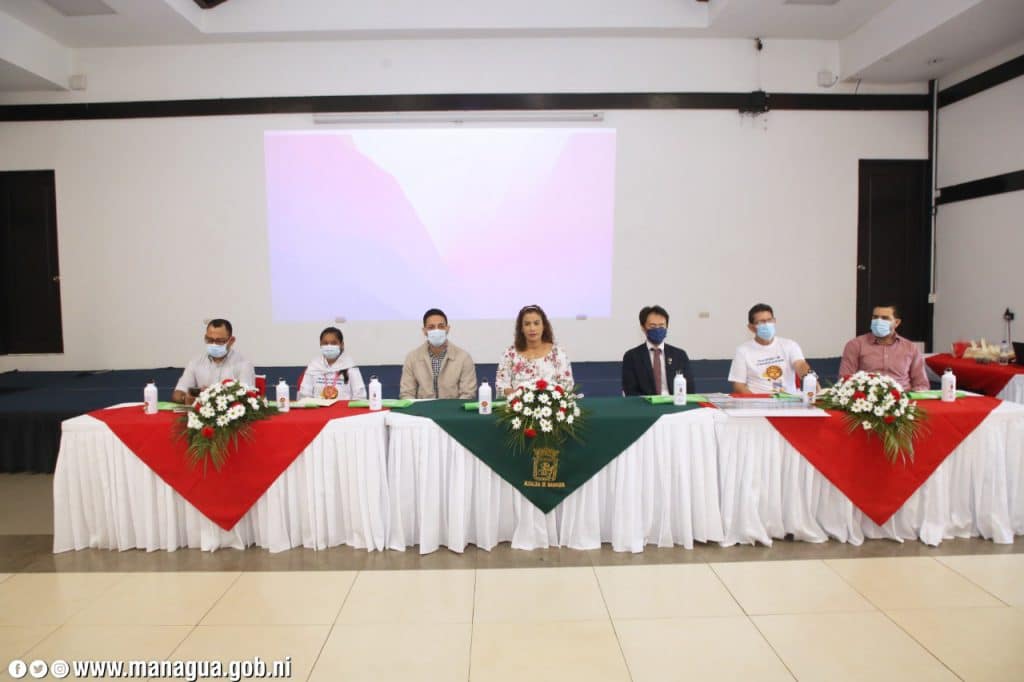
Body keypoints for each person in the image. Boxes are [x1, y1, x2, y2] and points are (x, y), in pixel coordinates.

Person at [839, 304, 929, 391]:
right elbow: (845, 379)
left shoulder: (910, 348)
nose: (878, 321)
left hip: (903, 396)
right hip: (867, 396)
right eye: (875, 317)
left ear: (896, 322)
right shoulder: (855, 345)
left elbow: (921, 384)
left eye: (885, 318)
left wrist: (912, 396)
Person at [728, 303, 811, 394]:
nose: (767, 324)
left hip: (789, 399)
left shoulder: (790, 345)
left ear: (774, 321)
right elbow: (738, 386)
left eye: (769, 320)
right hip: (757, 400)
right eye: (761, 322)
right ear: (751, 328)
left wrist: (810, 378)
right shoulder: (743, 351)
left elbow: (800, 365)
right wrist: (756, 400)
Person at [399, 308, 478, 399]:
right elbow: (407, 393)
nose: (436, 330)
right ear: (424, 331)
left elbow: (468, 394)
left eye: (441, 326)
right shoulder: (412, 358)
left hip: (453, 407)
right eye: (431, 327)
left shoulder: (463, 358)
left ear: (447, 329)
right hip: (422, 407)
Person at [496, 305, 573, 396]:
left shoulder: (557, 353)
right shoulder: (509, 354)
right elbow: (501, 386)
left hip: (551, 403)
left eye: (536, 323)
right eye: (527, 324)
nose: (532, 328)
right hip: (518, 403)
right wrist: (518, 397)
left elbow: (567, 385)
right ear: (521, 328)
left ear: (544, 326)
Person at [173, 318, 256, 403]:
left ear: (231, 341)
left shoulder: (244, 365)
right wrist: (185, 398)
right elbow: (178, 393)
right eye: (210, 340)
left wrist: (211, 395)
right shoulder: (195, 362)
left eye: (220, 341)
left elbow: (247, 398)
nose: (214, 344)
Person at [622, 305, 694, 396]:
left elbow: (690, 389)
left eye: (661, 325)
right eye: (653, 326)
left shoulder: (679, 355)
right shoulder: (632, 356)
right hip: (646, 403)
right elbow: (630, 391)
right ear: (643, 328)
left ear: (667, 327)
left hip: (674, 402)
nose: (657, 329)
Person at [297, 326, 367, 400]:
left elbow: (360, 397)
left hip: (343, 407)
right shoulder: (313, 367)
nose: (329, 346)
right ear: (320, 345)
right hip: (318, 407)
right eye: (325, 343)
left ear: (342, 345)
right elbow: (304, 396)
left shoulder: (350, 367)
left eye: (334, 343)